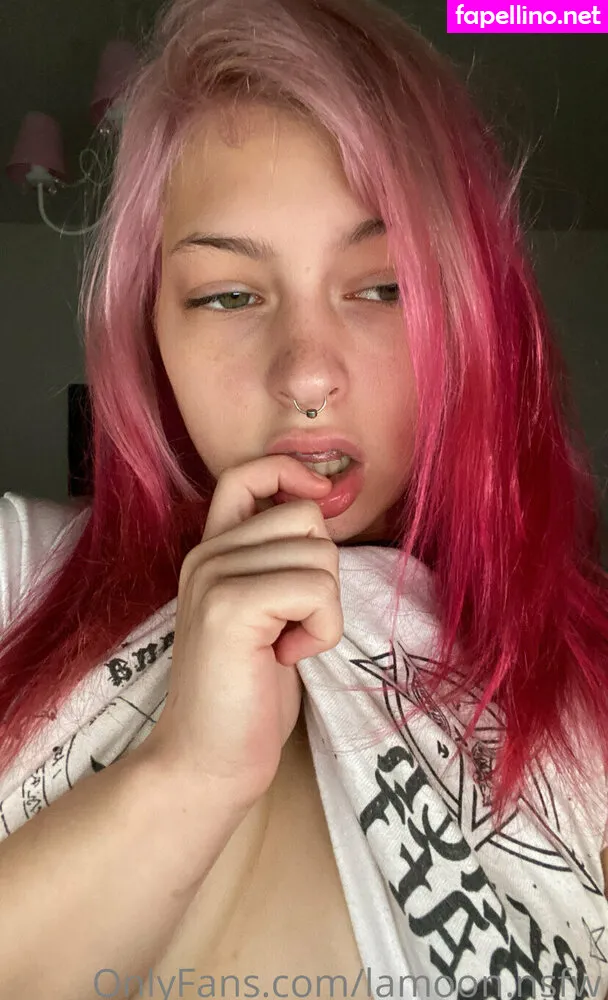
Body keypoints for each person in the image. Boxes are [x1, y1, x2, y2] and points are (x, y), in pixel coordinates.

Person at [0, 0, 607, 997]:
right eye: (228, 295)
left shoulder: (582, 701)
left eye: (383, 287)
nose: (308, 374)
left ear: (476, 316)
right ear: (149, 333)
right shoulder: (16, 574)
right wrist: (188, 775)